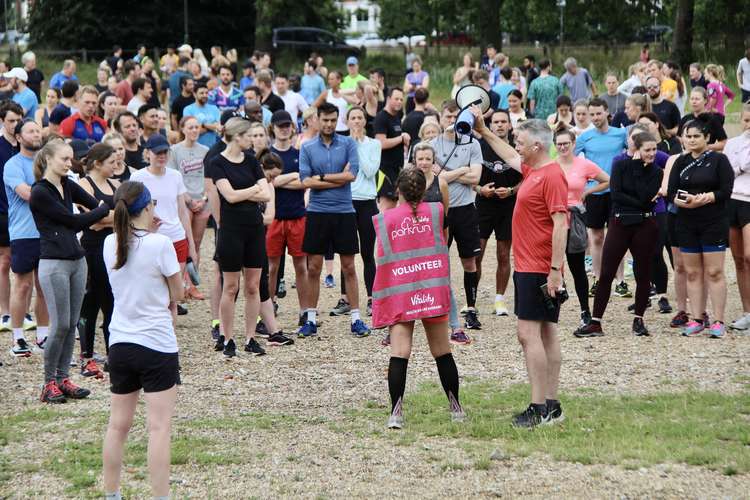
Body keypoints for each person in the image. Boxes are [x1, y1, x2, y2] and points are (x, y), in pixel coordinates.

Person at [474, 115, 567, 427]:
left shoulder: (551, 176)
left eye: (521, 141)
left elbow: (561, 224)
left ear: (537, 145)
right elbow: (509, 155)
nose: (516, 145)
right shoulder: (534, 169)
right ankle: (551, 406)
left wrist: (555, 270)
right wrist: (484, 131)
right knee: (546, 331)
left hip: (539, 267)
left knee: (527, 334)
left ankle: (538, 407)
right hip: (533, 265)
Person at [101, 181, 182, 500]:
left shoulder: (110, 243)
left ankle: (112, 493)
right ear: (147, 208)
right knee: (159, 427)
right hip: (156, 342)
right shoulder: (159, 244)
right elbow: (177, 292)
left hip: (120, 340)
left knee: (117, 425)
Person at [373, 167, 465, 430]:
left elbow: (377, 258)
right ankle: (456, 408)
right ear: (424, 190)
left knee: (400, 352)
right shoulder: (436, 212)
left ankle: (395, 413)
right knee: (442, 351)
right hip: (432, 287)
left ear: (398, 191)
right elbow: (443, 241)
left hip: (400, 290)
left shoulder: (385, 219)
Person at [30, 138, 109, 403]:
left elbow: (95, 201)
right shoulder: (40, 191)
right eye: (64, 159)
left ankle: (63, 378)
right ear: (49, 159)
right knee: (60, 324)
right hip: (54, 263)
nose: (69, 163)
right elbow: (74, 222)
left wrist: (104, 207)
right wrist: (104, 210)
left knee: (72, 322)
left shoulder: (67, 185)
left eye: (70, 158)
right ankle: (48, 382)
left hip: (77, 260)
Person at [576, 131, 663, 338]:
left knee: (643, 274)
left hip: (645, 223)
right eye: (647, 150)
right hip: (620, 222)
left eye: (654, 149)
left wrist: (633, 198)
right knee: (607, 272)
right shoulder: (621, 164)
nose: (651, 154)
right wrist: (635, 196)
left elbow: (645, 197)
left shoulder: (657, 172)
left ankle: (639, 319)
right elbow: (616, 194)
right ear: (636, 150)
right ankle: (596, 322)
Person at [298, 103, 371, 338]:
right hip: (318, 211)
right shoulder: (307, 147)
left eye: (333, 120)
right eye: (325, 120)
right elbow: (305, 181)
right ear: (317, 119)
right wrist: (336, 179)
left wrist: (321, 177)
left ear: (337, 120)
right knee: (314, 267)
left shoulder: (348, 143)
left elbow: (352, 175)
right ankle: (310, 318)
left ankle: (356, 318)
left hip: (344, 211)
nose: (329, 124)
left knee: (349, 266)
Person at [667, 117, 734, 338]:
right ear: (683, 139)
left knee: (714, 271)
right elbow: (672, 191)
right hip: (686, 222)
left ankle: (718, 320)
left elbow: (726, 190)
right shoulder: (680, 161)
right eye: (689, 136)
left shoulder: (719, 160)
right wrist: (682, 201)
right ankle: (696, 317)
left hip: (713, 221)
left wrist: (706, 198)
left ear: (707, 138)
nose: (692, 140)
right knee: (693, 273)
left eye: (697, 136)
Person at [208, 118, 270, 356]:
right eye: (249, 136)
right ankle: (228, 337)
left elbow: (266, 194)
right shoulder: (217, 163)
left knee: (253, 286)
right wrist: (253, 190)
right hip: (231, 229)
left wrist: (249, 192)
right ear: (237, 137)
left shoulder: (252, 161)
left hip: (254, 227)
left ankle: (250, 337)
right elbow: (229, 197)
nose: (253, 140)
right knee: (231, 286)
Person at [131, 134, 197, 319]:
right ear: (148, 153)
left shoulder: (175, 175)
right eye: (157, 152)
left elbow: (182, 211)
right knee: (152, 287)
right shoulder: (138, 177)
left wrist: (190, 243)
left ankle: (171, 339)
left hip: (175, 237)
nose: (162, 156)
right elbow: (131, 208)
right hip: (149, 238)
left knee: (173, 295)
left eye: (165, 152)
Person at [431, 100, 483, 329]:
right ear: (440, 118)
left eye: (455, 117)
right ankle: (438, 307)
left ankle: (471, 309)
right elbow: (430, 176)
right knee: (437, 261)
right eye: (447, 117)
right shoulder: (431, 145)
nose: (451, 121)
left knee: (469, 261)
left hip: (465, 208)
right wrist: (463, 171)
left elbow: (475, 179)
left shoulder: (472, 144)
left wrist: (450, 173)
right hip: (440, 208)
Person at [554, 127, 609, 328]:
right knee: (553, 265)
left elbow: (607, 180)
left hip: (575, 221)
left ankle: (585, 310)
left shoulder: (583, 164)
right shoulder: (551, 166)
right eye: (559, 144)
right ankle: (553, 308)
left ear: (573, 144)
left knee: (577, 267)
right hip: (553, 220)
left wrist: (587, 192)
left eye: (566, 143)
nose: (562, 147)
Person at [329, 107, 381, 318]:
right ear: (347, 121)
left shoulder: (374, 144)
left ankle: (372, 298)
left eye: (360, 118)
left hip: (367, 202)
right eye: (353, 118)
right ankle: (345, 298)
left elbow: (369, 171)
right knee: (345, 253)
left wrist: (357, 145)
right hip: (345, 201)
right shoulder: (339, 143)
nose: (357, 121)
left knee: (368, 253)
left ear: (365, 121)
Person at [575, 98, 629, 298]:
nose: (596, 118)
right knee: (596, 237)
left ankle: (621, 281)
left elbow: (633, 152)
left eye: (599, 113)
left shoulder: (620, 134)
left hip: (617, 192)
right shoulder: (585, 137)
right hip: (594, 192)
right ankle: (597, 279)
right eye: (592, 114)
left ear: (607, 112)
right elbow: (570, 159)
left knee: (618, 237)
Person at [4, 120, 49, 356]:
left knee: (44, 287)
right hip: (23, 233)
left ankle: (42, 336)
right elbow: (27, 194)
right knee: (22, 286)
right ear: (19, 137)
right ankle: (18, 338)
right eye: (30, 131)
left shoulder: (47, 162)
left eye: (38, 130)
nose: (36, 134)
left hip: (47, 233)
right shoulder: (13, 165)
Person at [474, 109, 522, 318]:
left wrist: (512, 190)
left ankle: (499, 299)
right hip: (483, 203)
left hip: (508, 205)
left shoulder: (516, 147)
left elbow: (527, 177)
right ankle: (471, 298)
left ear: (510, 125)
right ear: (490, 125)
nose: (500, 125)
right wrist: (479, 189)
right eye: (496, 122)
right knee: (477, 254)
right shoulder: (478, 146)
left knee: (503, 254)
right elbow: (469, 176)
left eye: (504, 121)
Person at [77, 144, 119, 379]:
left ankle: (114, 354)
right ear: (97, 163)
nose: (116, 166)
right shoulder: (84, 185)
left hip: (113, 249)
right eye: (112, 162)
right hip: (92, 250)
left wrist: (106, 217)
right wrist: (111, 217)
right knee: (89, 304)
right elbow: (91, 221)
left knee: (112, 302)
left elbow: (125, 215)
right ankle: (87, 356)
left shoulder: (115, 185)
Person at [265, 111, 309, 320]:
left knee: (301, 265)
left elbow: (305, 181)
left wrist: (278, 180)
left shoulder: (299, 154)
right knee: (272, 266)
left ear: (292, 128)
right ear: (272, 127)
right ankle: (269, 306)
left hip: (297, 215)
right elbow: (265, 182)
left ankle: (304, 310)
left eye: (287, 125)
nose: (284, 129)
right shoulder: (266, 156)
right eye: (279, 125)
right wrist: (292, 176)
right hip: (274, 217)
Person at [166, 116, 209, 300]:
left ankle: (193, 282)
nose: (194, 131)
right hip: (183, 201)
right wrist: (188, 200)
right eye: (190, 127)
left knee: (197, 244)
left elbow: (209, 177)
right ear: (183, 129)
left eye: (196, 127)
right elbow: (174, 178)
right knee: (184, 242)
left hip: (202, 200)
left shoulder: (206, 151)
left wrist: (204, 198)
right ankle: (182, 284)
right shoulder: (175, 151)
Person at [725, 103, 750, 330]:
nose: (748, 125)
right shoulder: (733, 144)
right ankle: (747, 311)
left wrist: (741, 166)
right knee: (739, 259)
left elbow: (743, 164)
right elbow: (730, 169)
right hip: (734, 200)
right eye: (746, 120)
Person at [0, 103, 22, 333]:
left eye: (18, 121)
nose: (15, 125)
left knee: (24, 264)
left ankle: (20, 310)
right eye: (11, 121)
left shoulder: (26, 146)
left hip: (24, 213)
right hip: (3, 211)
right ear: (2, 122)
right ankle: (5, 312)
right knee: (5, 261)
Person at [374, 87, 409, 211]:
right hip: (385, 169)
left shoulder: (397, 115)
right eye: (396, 99)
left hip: (397, 168)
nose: (399, 101)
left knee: (395, 206)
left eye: (401, 99)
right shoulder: (381, 117)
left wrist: (404, 141)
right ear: (388, 98)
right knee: (386, 207)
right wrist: (401, 138)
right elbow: (381, 143)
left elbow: (395, 138)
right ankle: (379, 231)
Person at [677, 87, 727, 152]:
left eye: (697, 99)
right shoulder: (685, 119)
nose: (694, 102)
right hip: (687, 155)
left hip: (706, 156)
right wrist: (687, 143)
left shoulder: (713, 119)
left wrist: (706, 147)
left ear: (705, 100)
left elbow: (724, 143)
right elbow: (678, 137)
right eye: (692, 99)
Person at [182, 83, 221, 148]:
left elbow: (219, 128)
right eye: (201, 93)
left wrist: (202, 125)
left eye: (206, 93)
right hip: (195, 148)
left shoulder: (214, 108)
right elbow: (190, 132)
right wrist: (212, 127)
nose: (205, 95)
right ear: (194, 94)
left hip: (213, 148)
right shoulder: (188, 109)